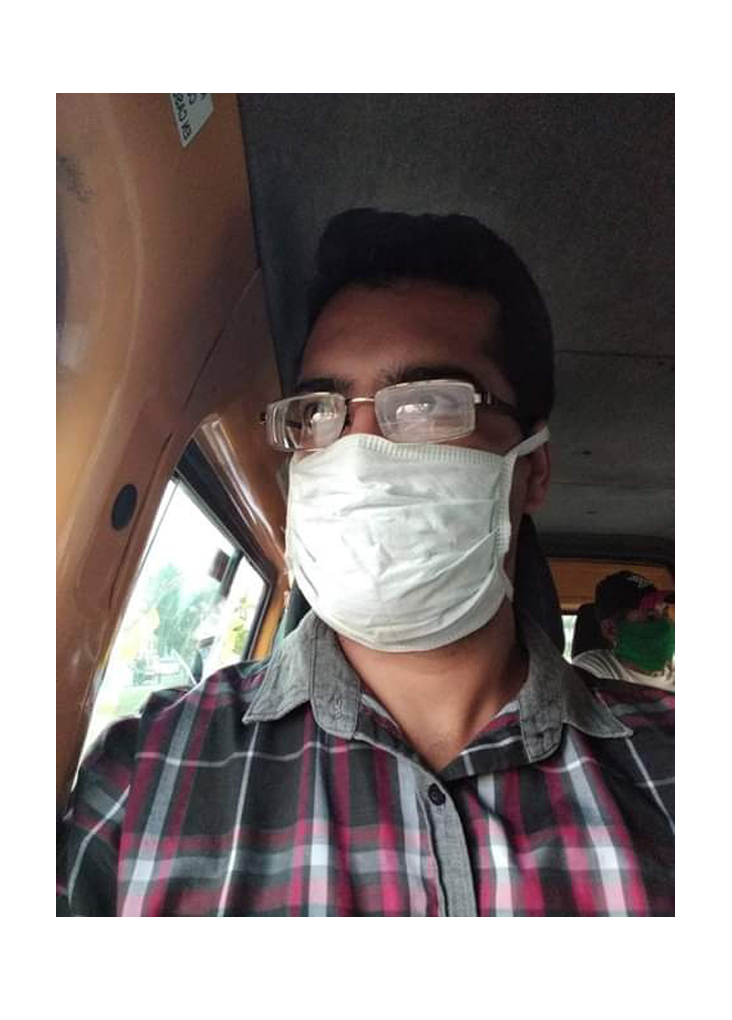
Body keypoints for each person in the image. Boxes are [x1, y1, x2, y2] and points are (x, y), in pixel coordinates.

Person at [57, 209, 674, 916]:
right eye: (318, 412)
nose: (357, 450)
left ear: (532, 470)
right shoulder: (143, 776)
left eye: (428, 403)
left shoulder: (673, 767)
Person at [572, 571, 675, 692]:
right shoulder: (593, 670)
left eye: (665, 613)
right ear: (611, 630)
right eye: (650, 617)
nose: (666, 624)